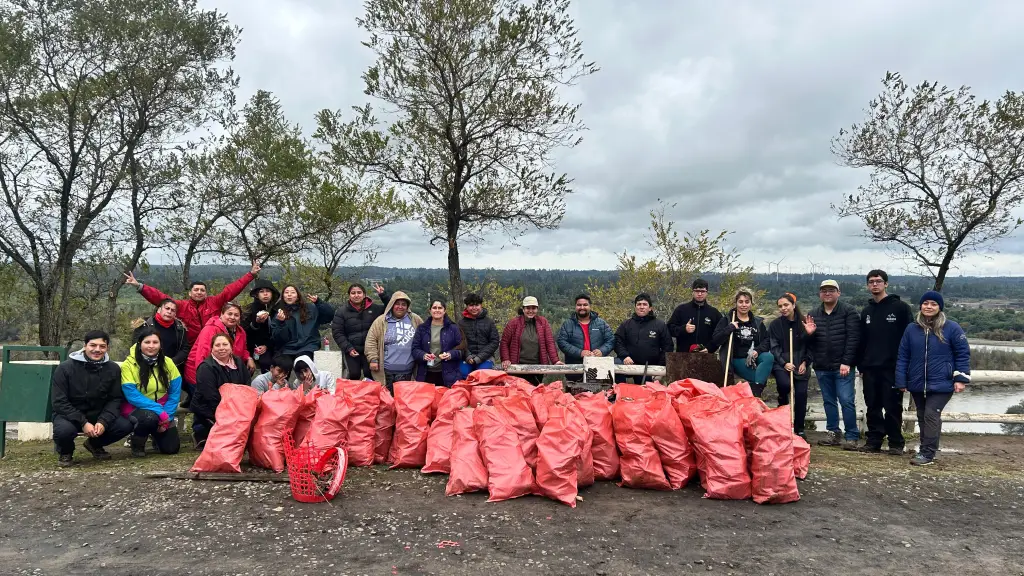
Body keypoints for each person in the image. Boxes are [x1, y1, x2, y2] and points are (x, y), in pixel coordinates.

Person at [896, 291, 971, 466]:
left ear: (939, 307)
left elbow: (962, 353)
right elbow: (903, 356)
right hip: (917, 382)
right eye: (925, 303)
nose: (929, 307)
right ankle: (927, 449)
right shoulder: (911, 329)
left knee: (931, 414)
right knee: (923, 416)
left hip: (942, 382)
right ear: (920, 306)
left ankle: (927, 453)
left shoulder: (952, 328)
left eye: (933, 304)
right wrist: (901, 380)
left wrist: (961, 378)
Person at [123, 260, 261, 345]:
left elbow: (231, 290)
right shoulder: (181, 305)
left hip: (213, 344)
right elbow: (160, 298)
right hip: (189, 347)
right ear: (190, 293)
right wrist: (139, 286)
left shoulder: (214, 302)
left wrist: (251, 275)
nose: (199, 292)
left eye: (202, 290)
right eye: (196, 290)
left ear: (206, 293)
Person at [50, 330, 133, 467]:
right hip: (69, 415)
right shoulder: (65, 368)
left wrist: (103, 421)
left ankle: (94, 444)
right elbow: (59, 402)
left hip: (98, 414)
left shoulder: (113, 369)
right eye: (93, 345)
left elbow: (115, 399)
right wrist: (83, 422)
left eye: (102, 346)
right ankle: (66, 452)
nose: (97, 350)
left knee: (126, 425)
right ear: (85, 346)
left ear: (107, 348)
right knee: (64, 431)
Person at [857, 270, 914, 455]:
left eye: (878, 281)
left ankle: (896, 443)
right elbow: (862, 340)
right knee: (872, 406)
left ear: (886, 284)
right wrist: (861, 364)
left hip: (893, 367)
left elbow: (909, 338)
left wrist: (905, 366)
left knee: (892, 407)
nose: (875, 284)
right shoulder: (866, 311)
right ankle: (873, 441)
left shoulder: (901, 308)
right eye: (871, 282)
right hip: (870, 367)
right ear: (868, 285)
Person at [805, 279, 861, 450]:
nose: (827, 293)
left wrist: (847, 362)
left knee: (846, 400)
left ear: (838, 292)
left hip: (842, 366)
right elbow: (808, 343)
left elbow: (854, 338)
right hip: (822, 366)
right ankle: (833, 433)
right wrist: (809, 334)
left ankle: (851, 436)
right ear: (819, 294)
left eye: (831, 290)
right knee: (828, 401)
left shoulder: (849, 311)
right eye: (824, 290)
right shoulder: (813, 314)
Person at [120, 327, 183, 457]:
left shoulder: (168, 363)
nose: (151, 346)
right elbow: (132, 395)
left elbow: (175, 393)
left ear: (160, 345)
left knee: (171, 448)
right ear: (140, 344)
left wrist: (167, 416)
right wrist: (160, 412)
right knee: (149, 418)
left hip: (163, 408)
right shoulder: (128, 364)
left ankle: (156, 436)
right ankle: (137, 442)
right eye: (147, 342)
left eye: (155, 342)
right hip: (136, 407)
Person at [191, 333, 252, 448]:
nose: (221, 348)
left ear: (231, 347)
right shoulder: (205, 367)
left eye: (225, 344)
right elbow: (210, 396)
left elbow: (246, 385)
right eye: (217, 345)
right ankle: (201, 433)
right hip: (210, 408)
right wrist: (229, 413)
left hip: (235, 407)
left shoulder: (238, 362)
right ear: (212, 348)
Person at [767, 293, 814, 438]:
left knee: (801, 395)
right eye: (780, 306)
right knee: (784, 385)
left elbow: (811, 347)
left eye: (786, 305)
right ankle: (783, 421)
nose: (783, 308)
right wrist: (784, 363)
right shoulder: (775, 325)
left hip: (801, 363)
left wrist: (805, 362)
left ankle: (799, 428)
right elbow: (774, 347)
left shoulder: (804, 323)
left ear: (793, 305)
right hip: (782, 363)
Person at [712, 288, 774, 395]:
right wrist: (729, 328)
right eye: (740, 302)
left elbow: (767, 340)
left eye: (747, 302)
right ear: (735, 303)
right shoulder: (727, 320)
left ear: (751, 303)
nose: (744, 305)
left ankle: (755, 392)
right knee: (758, 378)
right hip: (738, 359)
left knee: (768, 357)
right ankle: (756, 393)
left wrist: (757, 351)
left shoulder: (757, 322)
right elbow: (716, 340)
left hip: (755, 356)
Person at [185, 302, 254, 397]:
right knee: (208, 400)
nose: (232, 317)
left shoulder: (240, 331)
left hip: (224, 373)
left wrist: (248, 358)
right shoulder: (210, 329)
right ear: (222, 314)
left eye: (236, 315)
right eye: (229, 314)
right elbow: (202, 355)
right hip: (200, 373)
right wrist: (204, 378)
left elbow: (243, 348)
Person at [365, 291, 423, 392]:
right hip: (386, 371)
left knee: (403, 399)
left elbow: (425, 335)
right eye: (397, 304)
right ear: (392, 305)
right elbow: (371, 340)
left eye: (403, 304)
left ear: (407, 306)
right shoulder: (381, 321)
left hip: (408, 371)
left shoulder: (415, 319)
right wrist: (373, 359)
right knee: (387, 398)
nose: (400, 307)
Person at [331, 283, 390, 380]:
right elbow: (337, 332)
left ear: (364, 294)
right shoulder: (342, 312)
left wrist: (383, 295)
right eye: (353, 293)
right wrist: (348, 348)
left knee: (370, 374)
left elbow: (390, 309)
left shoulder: (374, 309)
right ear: (349, 295)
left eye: (359, 292)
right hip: (351, 349)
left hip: (371, 350)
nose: (356, 295)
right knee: (353, 374)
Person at [500, 296, 561, 385]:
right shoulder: (513, 323)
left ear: (537, 309)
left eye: (533, 308)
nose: (531, 311)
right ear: (523, 309)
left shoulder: (543, 322)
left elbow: (549, 342)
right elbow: (504, 342)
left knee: (534, 391)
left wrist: (555, 361)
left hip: (537, 367)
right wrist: (505, 359)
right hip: (517, 367)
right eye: (528, 308)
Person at [614, 293, 674, 383]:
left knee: (645, 391)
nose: (641, 307)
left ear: (650, 308)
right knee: (614, 363)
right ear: (635, 307)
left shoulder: (660, 325)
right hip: (628, 364)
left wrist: (659, 367)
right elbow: (617, 341)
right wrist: (625, 356)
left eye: (645, 304)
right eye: (639, 304)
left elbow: (668, 346)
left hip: (649, 368)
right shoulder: (626, 324)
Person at [556, 294, 614, 381]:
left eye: (585, 305)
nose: (582, 307)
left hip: (598, 367)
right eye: (579, 305)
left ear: (590, 306)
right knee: (575, 390)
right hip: (574, 369)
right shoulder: (568, 324)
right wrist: (580, 352)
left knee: (599, 389)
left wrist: (602, 351)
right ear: (575, 306)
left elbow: (611, 340)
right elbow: (562, 342)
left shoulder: (601, 323)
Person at [269, 285, 335, 358]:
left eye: (292, 292)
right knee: (281, 363)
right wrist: (281, 323)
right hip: (287, 349)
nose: (289, 294)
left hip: (308, 347)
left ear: (298, 296)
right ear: (283, 297)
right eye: (286, 292)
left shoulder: (310, 308)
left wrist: (318, 302)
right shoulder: (279, 313)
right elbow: (278, 339)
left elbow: (329, 316)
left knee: (302, 362)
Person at [413, 299, 465, 387]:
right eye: (434, 308)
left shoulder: (453, 328)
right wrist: (423, 355)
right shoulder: (422, 328)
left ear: (444, 311)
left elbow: (462, 350)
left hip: (449, 373)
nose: (437, 310)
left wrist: (450, 354)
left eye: (440, 308)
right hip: (426, 373)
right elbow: (415, 349)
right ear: (430, 310)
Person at [132, 298, 191, 375]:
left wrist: (171, 362)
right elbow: (136, 346)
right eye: (167, 308)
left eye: (173, 310)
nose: (169, 312)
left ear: (175, 314)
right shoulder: (144, 325)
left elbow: (185, 349)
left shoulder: (180, 328)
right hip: (147, 368)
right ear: (159, 310)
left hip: (172, 369)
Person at [668, 278, 723, 353]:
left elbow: (721, 335)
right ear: (693, 292)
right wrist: (683, 329)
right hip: (683, 356)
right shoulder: (681, 310)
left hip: (706, 356)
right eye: (697, 291)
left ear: (707, 292)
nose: (699, 294)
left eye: (702, 291)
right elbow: (669, 329)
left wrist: (710, 348)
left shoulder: (714, 313)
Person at [458, 293, 500, 379]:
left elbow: (494, 341)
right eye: (471, 305)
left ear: (481, 305)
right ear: (467, 306)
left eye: (477, 305)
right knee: (463, 374)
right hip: (466, 358)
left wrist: (480, 357)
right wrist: (468, 356)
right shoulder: (461, 323)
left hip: (486, 357)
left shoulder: (489, 322)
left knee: (482, 376)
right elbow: (460, 342)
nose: (474, 308)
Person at [243, 279, 280, 373]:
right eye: (262, 291)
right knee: (263, 362)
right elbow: (244, 332)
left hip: (273, 346)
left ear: (272, 294)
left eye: (268, 291)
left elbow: (279, 332)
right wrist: (256, 323)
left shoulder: (276, 310)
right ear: (257, 294)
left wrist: (267, 346)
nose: (265, 294)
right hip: (253, 347)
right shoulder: (249, 310)